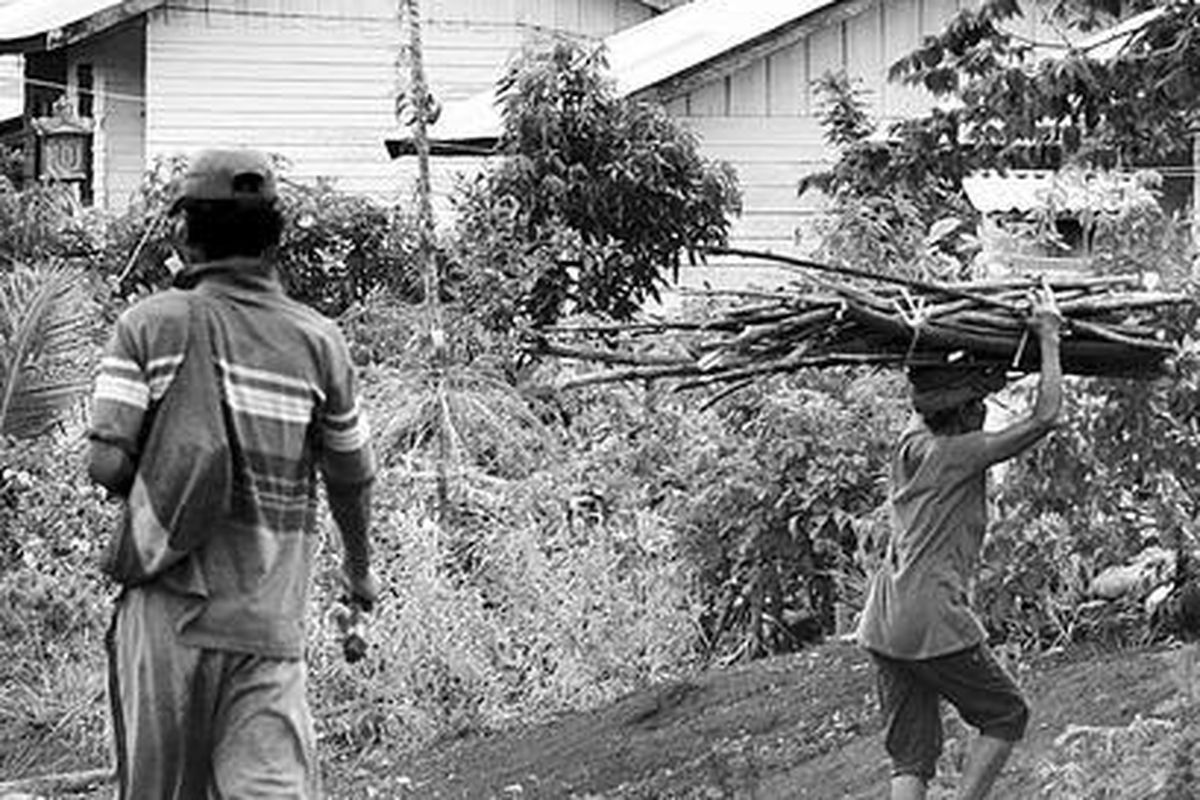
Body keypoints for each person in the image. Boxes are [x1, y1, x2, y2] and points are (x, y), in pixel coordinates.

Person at [88, 148, 378, 798]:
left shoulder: (147, 327)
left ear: (185, 234)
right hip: (266, 627)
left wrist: (171, 469)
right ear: (275, 239)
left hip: (166, 621)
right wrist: (359, 572)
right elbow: (353, 475)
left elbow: (104, 462)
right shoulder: (318, 342)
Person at [856, 289, 1064, 800]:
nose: (984, 412)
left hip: (884, 621)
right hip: (931, 620)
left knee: (911, 756)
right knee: (1006, 714)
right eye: (979, 405)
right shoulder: (958, 455)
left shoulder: (911, 443)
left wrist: (946, 346)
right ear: (967, 413)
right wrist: (1049, 337)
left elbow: (925, 393)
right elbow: (1045, 417)